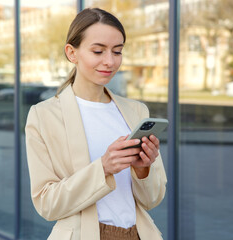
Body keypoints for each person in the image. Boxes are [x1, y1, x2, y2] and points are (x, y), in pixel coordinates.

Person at [25, 7, 167, 240]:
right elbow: (46, 204)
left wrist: (143, 171)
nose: (109, 61)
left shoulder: (136, 111)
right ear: (72, 53)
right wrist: (103, 168)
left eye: (117, 51)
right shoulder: (44, 115)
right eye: (98, 51)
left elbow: (152, 200)